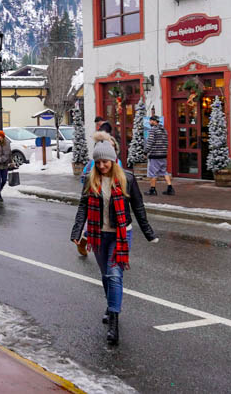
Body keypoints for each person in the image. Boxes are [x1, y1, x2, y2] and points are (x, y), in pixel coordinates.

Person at [70, 140, 158, 345]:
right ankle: (110, 307)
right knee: (105, 275)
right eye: (98, 163)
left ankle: (114, 323)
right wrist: (76, 230)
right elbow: (83, 206)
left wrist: (148, 232)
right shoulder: (90, 180)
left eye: (105, 162)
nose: (101, 166)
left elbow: (138, 206)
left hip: (121, 234)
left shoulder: (127, 178)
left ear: (113, 160)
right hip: (98, 234)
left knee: (114, 275)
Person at [144, 115, 173, 196]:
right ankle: (170, 188)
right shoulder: (164, 130)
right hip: (163, 155)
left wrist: (146, 152)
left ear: (154, 121)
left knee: (153, 173)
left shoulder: (153, 130)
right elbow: (166, 142)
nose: (149, 122)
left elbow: (150, 142)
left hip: (155, 154)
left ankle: (152, 190)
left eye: (150, 121)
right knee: (164, 171)